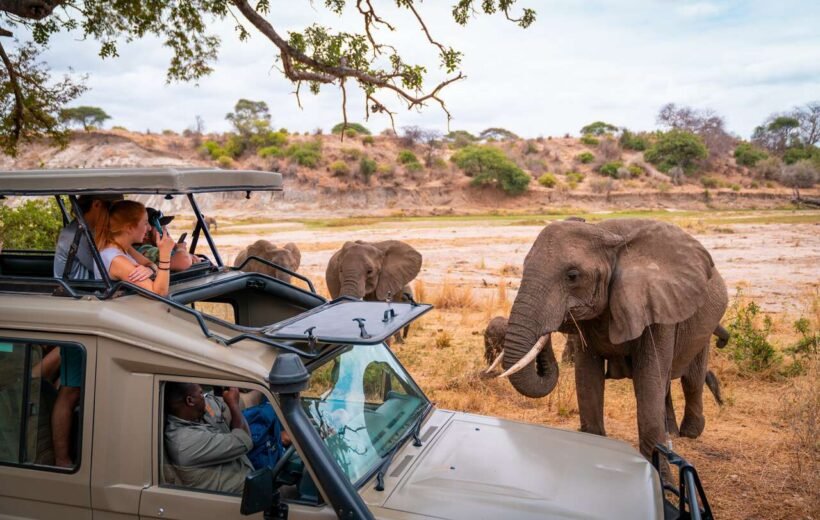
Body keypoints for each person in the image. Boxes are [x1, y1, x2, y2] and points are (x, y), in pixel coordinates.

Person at [164, 383, 253, 494]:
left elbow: (214, 402)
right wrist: (233, 404)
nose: (204, 397)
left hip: (247, 474)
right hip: (237, 497)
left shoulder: (195, 412)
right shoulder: (185, 442)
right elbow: (245, 440)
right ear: (190, 401)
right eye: (201, 393)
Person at [95, 200, 175, 296]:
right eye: (145, 223)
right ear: (129, 228)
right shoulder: (116, 260)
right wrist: (165, 255)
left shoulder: (124, 247)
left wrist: (150, 269)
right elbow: (159, 293)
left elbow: (149, 263)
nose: (149, 228)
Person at [53, 194, 122, 280]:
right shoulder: (74, 234)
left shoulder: (90, 229)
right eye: (112, 209)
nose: (115, 215)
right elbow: (105, 268)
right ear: (97, 204)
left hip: (90, 288)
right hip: (78, 290)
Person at [135, 208, 199, 272]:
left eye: (165, 228)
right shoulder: (145, 250)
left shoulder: (153, 248)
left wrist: (184, 253)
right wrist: (180, 249)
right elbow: (183, 261)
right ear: (146, 233)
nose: (165, 232)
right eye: (161, 228)